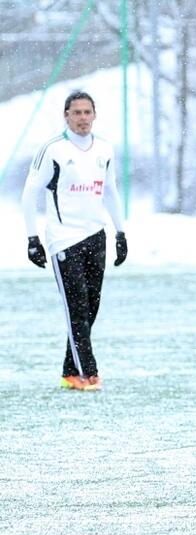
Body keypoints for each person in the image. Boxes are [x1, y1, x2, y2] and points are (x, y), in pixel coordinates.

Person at [21, 91, 128, 392]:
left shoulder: (105, 149)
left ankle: (70, 371)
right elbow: (30, 193)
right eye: (76, 112)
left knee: (91, 305)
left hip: (96, 236)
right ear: (66, 116)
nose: (82, 118)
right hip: (64, 240)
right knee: (76, 306)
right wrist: (33, 238)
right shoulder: (53, 150)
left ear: (95, 115)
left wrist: (121, 233)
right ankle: (87, 373)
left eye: (87, 112)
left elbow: (111, 192)